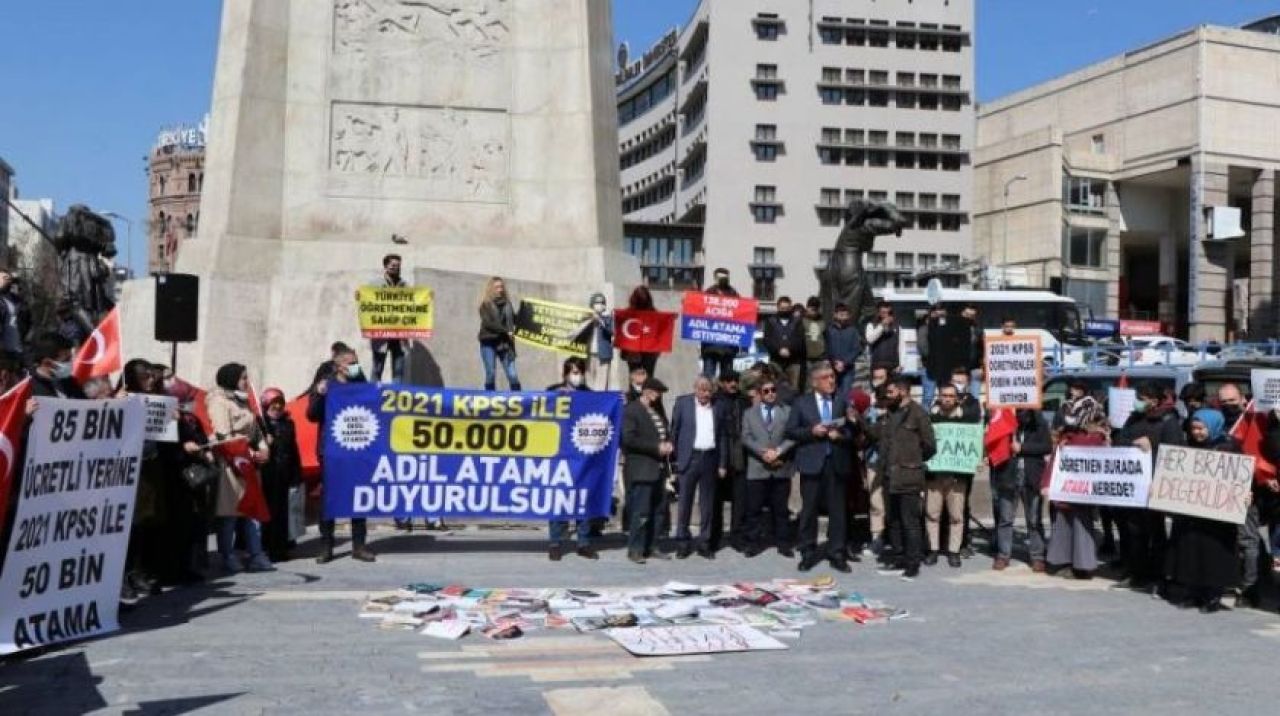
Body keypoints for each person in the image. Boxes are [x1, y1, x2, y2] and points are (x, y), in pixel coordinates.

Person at [1111, 380, 1183, 593]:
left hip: (1155, 486)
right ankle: (1137, 573)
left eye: (1142, 399)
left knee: (1156, 533)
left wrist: (1152, 448)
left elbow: (1175, 454)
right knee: (1134, 532)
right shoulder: (1134, 418)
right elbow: (1119, 443)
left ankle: (1159, 575)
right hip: (1134, 486)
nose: (1138, 403)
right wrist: (1133, 444)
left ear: (1155, 400)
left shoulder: (1168, 421)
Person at [1165, 409, 1240, 612]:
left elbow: (1239, 478)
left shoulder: (1228, 447)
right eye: (1194, 428)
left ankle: (1212, 596)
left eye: (1201, 428)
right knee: (1190, 551)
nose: (1197, 433)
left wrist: (1243, 495)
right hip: (1191, 514)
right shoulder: (1187, 447)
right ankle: (1192, 592)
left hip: (1217, 518)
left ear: (1213, 427)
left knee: (1213, 554)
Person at [785, 364, 857, 572]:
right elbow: (791, 431)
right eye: (826, 377)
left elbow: (852, 432)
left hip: (836, 462)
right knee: (809, 510)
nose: (831, 381)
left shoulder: (842, 400)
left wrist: (841, 436)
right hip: (812, 462)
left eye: (833, 377)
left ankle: (837, 552)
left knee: (838, 511)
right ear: (815, 382)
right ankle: (808, 551)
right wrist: (811, 431)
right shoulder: (802, 403)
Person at [308, 347, 376, 563]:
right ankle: (326, 546)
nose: (355, 366)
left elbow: (375, 406)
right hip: (332, 451)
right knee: (330, 498)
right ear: (339, 366)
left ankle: (359, 545)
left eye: (356, 362)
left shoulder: (361, 384)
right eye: (351, 363)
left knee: (358, 498)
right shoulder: (327, 384)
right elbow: (312, 415)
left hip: (357, 450)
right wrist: (319, 395)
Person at [207, 363, 275, 573]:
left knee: (253, 512)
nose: (247, 382)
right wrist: (250, 453)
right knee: (230, 514)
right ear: (231, 379)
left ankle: (256, 554)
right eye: (244, 378)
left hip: (249, 465)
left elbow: (255, 433)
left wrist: (263, 449)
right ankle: (227, 555)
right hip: (231, 465)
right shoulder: (219, 403)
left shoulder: (243, 402)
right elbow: (224, 436)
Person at [871, 377, 936, 579]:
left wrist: (912, 460)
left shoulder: (918, 414)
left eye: (891, 392)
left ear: (903, 392)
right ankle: (898, 558)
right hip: (890, 476)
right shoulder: (891, 413)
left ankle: (912, 563)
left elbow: (930, 446)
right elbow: (881, 438)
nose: (887, 396)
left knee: (910, 522)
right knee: (894, 520)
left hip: (909, 476)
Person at [1044, 395, 1107, 579]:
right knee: (1063, 527)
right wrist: (1047, 484)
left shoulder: (1097, 438)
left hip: (1083, 494)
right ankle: (1065, 562)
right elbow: (1055, 462)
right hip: (1065, 492)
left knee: (1082, 529)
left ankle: (1083, 566)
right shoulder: (1065, 437)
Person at [545, 357, 598, 560]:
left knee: (581, 499)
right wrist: (555, 397)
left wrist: (619, 401)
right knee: (559, 497)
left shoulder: (589, 395)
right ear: (565, 373)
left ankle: (583, 543)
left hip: (582, 455)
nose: (576, 375)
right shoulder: (554, 390)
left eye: (579, 371)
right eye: (572, 371)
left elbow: (603, 409)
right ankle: (555, 542)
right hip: (559, 454)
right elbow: (540, 404)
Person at [670, 376, 726, 559]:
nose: (705, 394)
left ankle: (704, 542)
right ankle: (682, 542)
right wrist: (674, 460)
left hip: (709, 458)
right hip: (689, 458)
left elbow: (723, 436)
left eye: (708, 390)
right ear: (695, 389)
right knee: (684, 502)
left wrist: (722, 463)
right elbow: (675, 431)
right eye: (702, 390)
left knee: (707, 504)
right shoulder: (683, 403)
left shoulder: (719, 406)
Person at [991, 408, 1052, 571]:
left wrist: (1022, 448)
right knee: (1005, 519)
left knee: (1034, 520)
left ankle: (1037, 556)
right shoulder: (1004, 419)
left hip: (1031, 477)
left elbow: (1047, 447)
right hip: (1008, 477)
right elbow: (993, 441)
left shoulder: (1039, 423)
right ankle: (1003, 555)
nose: (1021, 413)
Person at [741, 377, 795, 557]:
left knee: (781, 509)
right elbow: (746, 437)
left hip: (780, 467)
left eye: (773, 390)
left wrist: (778, 451)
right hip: (757, 467)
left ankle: (783, 543)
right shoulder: (749, 413)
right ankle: (753, 543)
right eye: (766, 391)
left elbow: (792, 435)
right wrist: (762, 452)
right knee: (754, 509)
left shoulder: (787, 411)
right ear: (760, 393)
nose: (771, 393)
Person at [924, 384, 977, 568]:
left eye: (950, 396)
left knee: (956, 516)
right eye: (943, 395)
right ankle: (933, 550)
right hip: (935, 476)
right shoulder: (931, 418)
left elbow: (974, 443)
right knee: (932, 514)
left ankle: (954, 551)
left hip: (957, 476)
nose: (947, 398)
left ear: (956, 398)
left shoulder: (968, 419)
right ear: (939, 397)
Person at [622, 377, 674, 563]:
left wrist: (668, 444)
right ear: (647, 391)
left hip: (659, 469)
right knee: (641, 511)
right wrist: (656, 447)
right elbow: (628, 439)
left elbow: (664, 433)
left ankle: (652, 546)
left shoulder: (657, 411)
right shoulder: (632, 410)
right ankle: (635, 549)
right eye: (657, 391)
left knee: (658, 511)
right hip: (641, 468)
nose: (659, 395)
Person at [260, 387, 302, 563]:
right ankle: (264, 548)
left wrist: (296, 473)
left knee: (283, 513)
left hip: (284, 473)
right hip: (266, 474)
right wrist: (265, 441)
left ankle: (281, 547)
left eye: (280, 404)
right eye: (273, 404)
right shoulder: (260, 423)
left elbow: (293, 449)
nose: (277, 407)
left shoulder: (288, 423)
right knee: (267, 513)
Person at [355, 254, 410, 383]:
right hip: (381, 335)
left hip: (399, 336)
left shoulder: (405, 286)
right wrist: (359, 296)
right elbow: (366, 301)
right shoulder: (375, 284)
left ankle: (396, 398)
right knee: (377, 370)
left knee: (398, 371)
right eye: (393, 266)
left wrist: (427, 298)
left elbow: (415, 305)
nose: (396, 268)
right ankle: (373, 397)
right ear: (385, 267)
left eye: (398, 266)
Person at [711, 370, 750, 552]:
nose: (732, 384)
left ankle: (737, 536)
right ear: (721, 383)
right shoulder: (715, 401)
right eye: (728, 381)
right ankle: (714, 537)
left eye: (735, 380)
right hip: (720, 455)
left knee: (740, 501)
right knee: (715, 501)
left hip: (740, 455)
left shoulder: (743, 401)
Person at [477, 276, 521, 391]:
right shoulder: (485, 305)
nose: (500, 289)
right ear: (491, 289)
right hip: (489, 341)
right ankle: (490, 399)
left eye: (501, 287)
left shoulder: (508, 304)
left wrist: (526, 313)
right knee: (490, 373)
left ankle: (519, 399)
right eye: (497, 287)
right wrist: (506, 331)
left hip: (505, 343)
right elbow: (488, 324)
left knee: (513, 375)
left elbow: (515, 319)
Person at [700, 268, 740, 379]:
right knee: (708, 377)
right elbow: (698, 308)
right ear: (715, 278)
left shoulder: (734, 294)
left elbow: (743, 312)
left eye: (725, 277)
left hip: (728, 346)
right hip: (710, 345)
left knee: (727, 378)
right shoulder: (708, 293)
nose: (723, 279)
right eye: (720, 277)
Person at [764, 296, 807, 391]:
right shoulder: (770, 321)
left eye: (787, 308)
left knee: (793, 389)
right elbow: (767, 340)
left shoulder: (797, 321)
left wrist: (790, 350)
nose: (785, 310)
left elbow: (800, 340)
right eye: (782, 308)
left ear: (790, 308)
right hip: (775, 361)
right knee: (774, 388)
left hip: (793, 362)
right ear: (778, 307)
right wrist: (778, 350)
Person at [27, 333, 84, 398]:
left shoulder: (68, 380)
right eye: (66, 360)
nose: (71, 362)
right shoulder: (29, 389)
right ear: (47, 363)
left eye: (70, 357)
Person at [620, 285, 660, 377]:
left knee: (647, 377)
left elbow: (659, 330)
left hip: (649, 351)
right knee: (636, 377)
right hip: (633, 351)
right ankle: (635, 391)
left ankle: (646, 391)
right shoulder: (628, 313)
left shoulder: (654, 313)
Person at [825, 302, 861, 399]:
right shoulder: (829, 330)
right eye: (841, 314)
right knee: (830, 393)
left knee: (845, 395)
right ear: (835, 315)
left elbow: (856, 349)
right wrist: (834, 362)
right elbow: (827, 347)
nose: (844, 317)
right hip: (832, 368)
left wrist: (844, 362)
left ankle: (842, 413)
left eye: (846, 315)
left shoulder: (853, 331)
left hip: (848, 369)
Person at [586, 293, 614, 391]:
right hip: (589, 353)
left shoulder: (608, 319)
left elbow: (612, 331)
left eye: (602, 303)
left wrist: (601, 321)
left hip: (603, 354)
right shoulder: (586, 319)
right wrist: (590, 319)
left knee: (602, 382)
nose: (599, 305)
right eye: (597, 303)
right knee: (589, 380)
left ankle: (600, 401)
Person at [0, 269, 31, 358]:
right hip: (3, 353)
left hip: (18, 351)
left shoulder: (19, 302)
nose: (7, 280)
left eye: (9, 278)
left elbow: (29, 322)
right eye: (4, 278)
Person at [864, 302, 900, 373]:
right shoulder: (871, 325)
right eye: (883, 312)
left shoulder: (897, 326)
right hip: (877, 364)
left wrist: (901, 364)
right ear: (878, 313)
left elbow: (901, 346)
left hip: (893, 365)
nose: (886, 315)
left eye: (889, 313)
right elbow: (870, 340)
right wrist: (881, 326)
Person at [802, 297, 827, 384]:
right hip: (806, 359)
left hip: (820, 359)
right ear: (807, 308)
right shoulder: (801, 322)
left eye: (816, 309)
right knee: (808, 384)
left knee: (820, 383)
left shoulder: (823, 322)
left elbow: (827, 339)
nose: (813, 311)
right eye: (811, 308)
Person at [961, 304, 983, 399]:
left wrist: (982, 366)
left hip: (975, 368)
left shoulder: (979, 330)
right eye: (967, 315)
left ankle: (973, 413)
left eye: (972, 315)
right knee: (960, 395)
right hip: (959, 368)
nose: (969, 317)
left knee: (975, 396)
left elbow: (983, 348)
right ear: (962, 314)